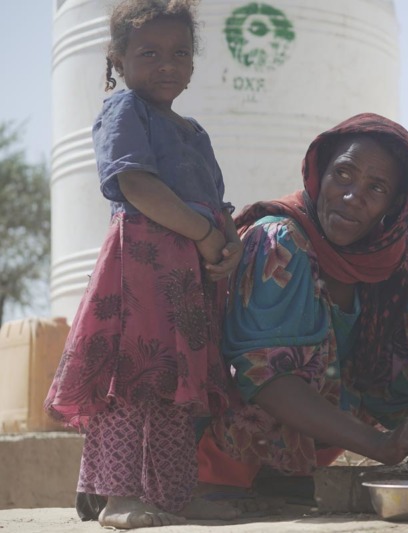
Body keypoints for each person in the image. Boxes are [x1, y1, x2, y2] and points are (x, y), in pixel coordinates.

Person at [194, 112, 408, 494]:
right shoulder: (280, 243)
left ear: (395, 205)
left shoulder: (393, 269)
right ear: (319, 171)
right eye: (343, 175)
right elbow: (266, 380)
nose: (352, 197)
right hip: (214, 465)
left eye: (376, 188)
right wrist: (380, 444)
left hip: (298, 478)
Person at [44, 0, 243, 528]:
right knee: (132, 382)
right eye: (149, 52)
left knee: (180, 386)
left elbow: (217, 203)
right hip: (142, 268)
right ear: (118, 57)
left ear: (194, 64)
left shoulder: (193, 131)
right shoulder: (123, 110)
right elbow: (135, 183)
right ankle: (117, 495)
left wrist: (230, 242)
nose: (167, 64)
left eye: (180, 53)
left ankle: (171, 496)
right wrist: (203, 234)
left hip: (189, 279)